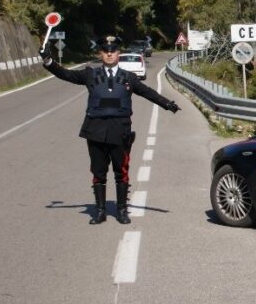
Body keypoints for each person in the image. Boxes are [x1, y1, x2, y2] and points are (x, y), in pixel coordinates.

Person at [39, 35, 180, 225]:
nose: (109, 54)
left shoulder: (129, 78)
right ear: (101, 53)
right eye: (106, 51)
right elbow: (67, 74)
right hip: (95, 130)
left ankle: (122, 211)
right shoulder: (90, 75)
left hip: (120, 131)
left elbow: (148, 93)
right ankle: (100, 211)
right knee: (98, 172)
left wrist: (167, 104)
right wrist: (48, 61)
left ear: (118, 53)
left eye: (113, 50)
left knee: (121, 171)